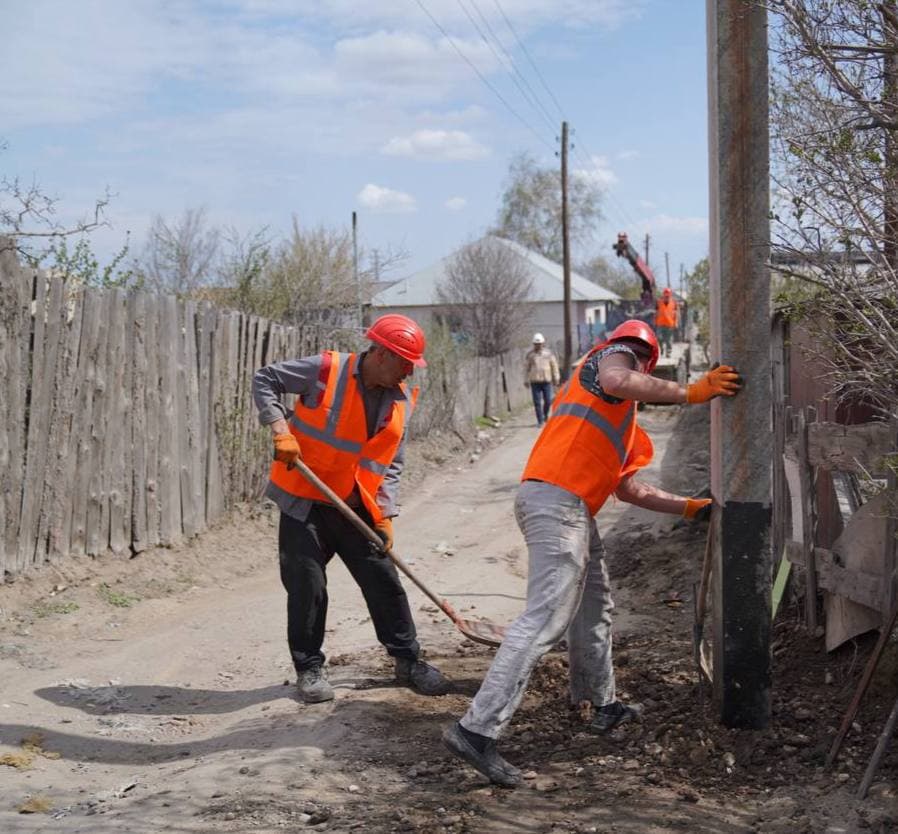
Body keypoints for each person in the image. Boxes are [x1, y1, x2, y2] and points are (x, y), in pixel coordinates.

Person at [443, 319, 743, 787]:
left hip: (570, 505)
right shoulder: (608, 361)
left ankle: (601, 703)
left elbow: (629, 489)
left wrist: (689, 508)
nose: (633, 364)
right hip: (558, 502)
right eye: (636, 359)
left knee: (594, 604)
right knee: (543, 621)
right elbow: (618, 378)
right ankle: (476, 731)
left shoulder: (618, 419)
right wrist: (692, 392)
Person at [252, 313, 450, 703]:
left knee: (384, 582)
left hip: (355, 506)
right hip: (305, 500)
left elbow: (391, 463)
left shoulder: (401, 398)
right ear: (381, 353)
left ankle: (408, 661)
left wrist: (385, 515)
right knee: (307, 586)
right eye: (405, 362)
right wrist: (279, 428)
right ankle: (309, 669)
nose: (410, 371)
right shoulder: (326, 370)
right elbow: (265, 378)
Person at [524, 333, 560, 426]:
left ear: (543, 343)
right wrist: (526, 380)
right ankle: (540, 421)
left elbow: (554, 366)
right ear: (534, 344)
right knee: (537, 402)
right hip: (535, 381)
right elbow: (526, 368)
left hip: (546, 381)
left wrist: (556, 378)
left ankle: (545, 415)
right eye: (536, 344)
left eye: (539, 344)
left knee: (548, 400)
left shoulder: (549, 354)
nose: (538, 345)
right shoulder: (530, 355)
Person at [655, 287, 679, 357]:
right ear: (663, 295)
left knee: (669, 340)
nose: (666, 297)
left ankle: (668, 352)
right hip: (660, 323)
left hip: (670, 324)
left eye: (668, 296)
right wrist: (655, 321)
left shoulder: (674, 303)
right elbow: (656, 312)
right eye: (665, 295)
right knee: (659, 337)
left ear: (670, 295)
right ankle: (661, 348)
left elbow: (676, 314)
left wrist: (676, 322)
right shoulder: (659, 302)